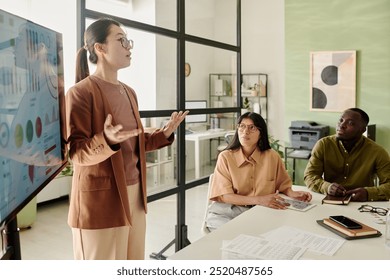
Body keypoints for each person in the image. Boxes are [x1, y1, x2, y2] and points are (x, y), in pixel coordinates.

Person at [65, 18, 188, 260]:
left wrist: (163, 134)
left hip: (135, 197)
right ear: (100, 48)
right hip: (101, 203)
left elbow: (134, 142)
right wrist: (107, 139)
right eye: (121, 40)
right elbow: (76, 153)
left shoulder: (128, 92)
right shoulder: (80, 93)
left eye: (127, 40)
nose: (128, 46)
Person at [206, 112, 312, 231]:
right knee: (236, 238)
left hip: (260, 211)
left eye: (252, 127)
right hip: (228, 212)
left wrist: (293, 193)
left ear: (261, 133)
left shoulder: (272, 157)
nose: (245, 131)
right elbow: (225, 196)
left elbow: (282, 185)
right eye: (242, 126)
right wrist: (259, 200)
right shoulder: (225, 157)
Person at [304, 108, 390, 202]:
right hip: (329, 202)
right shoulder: (323, 145)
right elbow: (310, 176)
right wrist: (327, 187)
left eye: (350, 123)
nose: (342, 125)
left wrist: (368, 193)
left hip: (363, 205)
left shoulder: (377, 152)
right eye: (341, 120)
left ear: (362, 130)